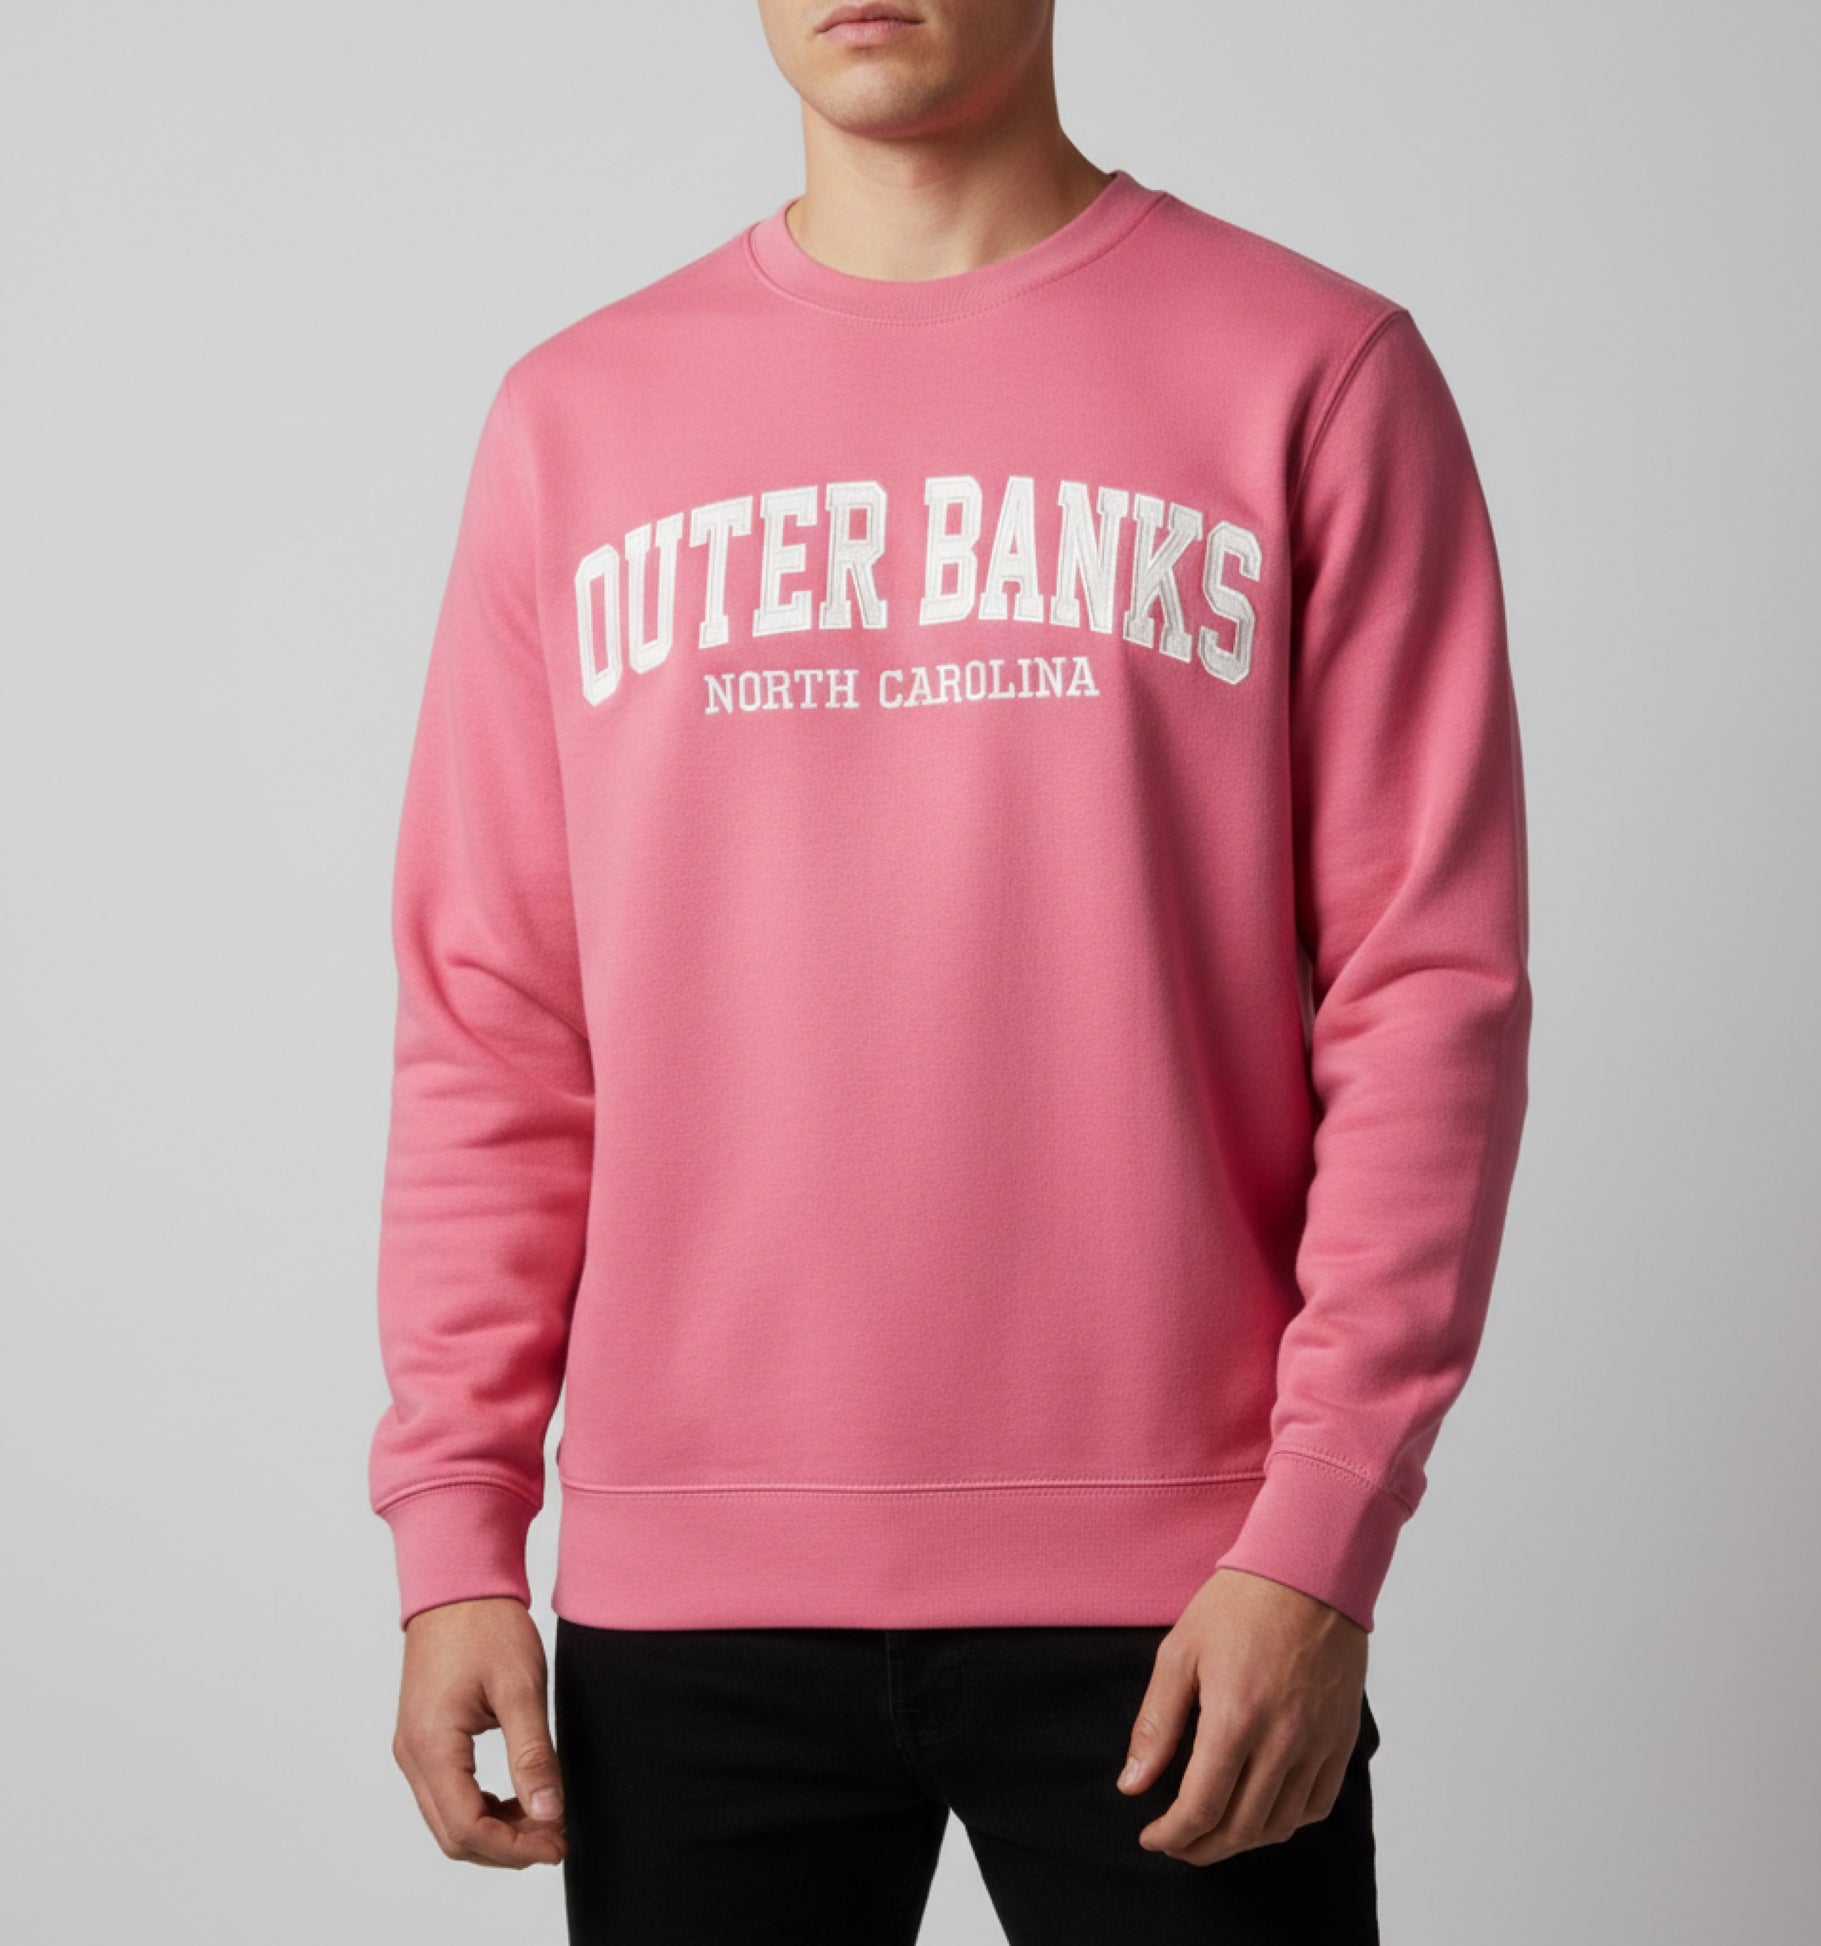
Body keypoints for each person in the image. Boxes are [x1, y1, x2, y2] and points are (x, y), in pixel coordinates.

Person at [368, 2, 1533, 1939]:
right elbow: (495, 1020)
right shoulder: (578, 417)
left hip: (1194, 1591)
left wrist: (1319, 1534)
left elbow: (1427, 998)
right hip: (688, 1609)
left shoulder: (1310, 369)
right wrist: (454, 1529)